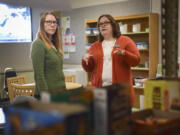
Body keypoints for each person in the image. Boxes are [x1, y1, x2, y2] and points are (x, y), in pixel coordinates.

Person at [82, 14, 140, 105]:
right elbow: (88, 68)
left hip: (119, 92)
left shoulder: (126, 41)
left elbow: (136, 60)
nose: (103, 25)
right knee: (101, 117)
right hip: (100, 91)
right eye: (100, 24)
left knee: (120, 117)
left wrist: (124, 53)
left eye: (106, 23)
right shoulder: (95, 46)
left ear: (113, 25)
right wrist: (85, 60)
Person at [31, 11, 65, 97]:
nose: (52, 25)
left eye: (54, 22)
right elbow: (39, 76)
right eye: (49, 22)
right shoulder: (38, 44)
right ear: (42, 25)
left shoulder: (54, 44)